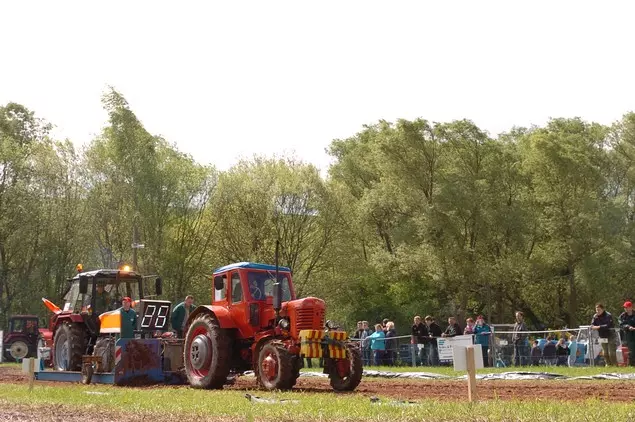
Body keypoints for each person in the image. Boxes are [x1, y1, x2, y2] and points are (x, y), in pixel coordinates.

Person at [619, 301, 635, 367]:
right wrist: (628, 327)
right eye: (624, 307)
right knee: (631, 351)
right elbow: (621, 324)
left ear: (631, 307)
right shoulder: (622, 316)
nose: (625, 309)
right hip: (628, 336)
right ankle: (632, 365)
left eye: (626, 307)